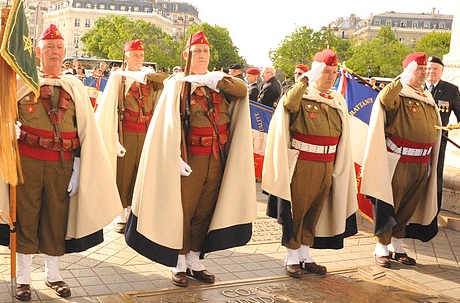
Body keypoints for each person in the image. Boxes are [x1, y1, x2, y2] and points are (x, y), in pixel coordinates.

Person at [0, 23, 121, 301]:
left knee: (55, 219)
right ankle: (24, 278)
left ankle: (53, 274)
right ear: (37, 51)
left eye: (60, 48)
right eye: (49, 47)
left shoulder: (74, 87)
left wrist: (78, 167)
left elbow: (86, 132)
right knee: (26, 218)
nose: (55, 52)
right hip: (28, 163)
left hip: (62, 164)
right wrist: (5, 130)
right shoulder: (21, 84)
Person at [124, 31, 255, 286]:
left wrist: (216, 81)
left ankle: (194, 258)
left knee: (206, 209)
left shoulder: (216, 82)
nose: (203, 56)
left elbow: (241, 90)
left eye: (206, 52)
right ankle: (179, 262)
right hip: (190, 158)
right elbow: (167, 126)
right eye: (197, 52)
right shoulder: (178, 84)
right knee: (184, 210)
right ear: (187, 55)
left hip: (216, 156)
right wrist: (174, 156)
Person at [261, 49, 357, 277]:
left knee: (315, 210)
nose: (331, 77)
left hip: (327, 162)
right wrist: (306, 79)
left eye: (334, 73)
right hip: (304, 162)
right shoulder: (301, 95)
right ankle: (291, 256)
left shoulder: (337, 100)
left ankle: (305, 254)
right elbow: (288, 106)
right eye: (325, 72)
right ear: (316, 73)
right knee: (297, 210)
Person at [361, 52, 441, 268]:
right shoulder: (398, 92)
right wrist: (401, 80)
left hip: (421, 162)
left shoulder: (427, 97)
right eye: (419, 70)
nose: (424, 74)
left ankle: (397, 243)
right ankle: (381, 246)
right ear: (407, 72)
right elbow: (386, 101)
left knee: (408, 206)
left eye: (425, 70)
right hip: (399, 160)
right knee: (388, 203)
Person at [95, 39, 169, 234]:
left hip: (145, 132)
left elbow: (166, 82)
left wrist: (151, 75)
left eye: (142, 55)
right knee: (123, 174)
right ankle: (120, 215)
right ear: (126, 56)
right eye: (135, 55)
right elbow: (108, 110)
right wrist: (113, 137)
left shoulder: (149, 77)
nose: (139, 58)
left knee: (139, 173)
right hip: (125, 132)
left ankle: (133, 212)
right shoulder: (119, 78)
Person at [424, 55, 460, 212]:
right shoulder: (415, 87)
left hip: (438, 139)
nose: (431, 72)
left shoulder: (451, 90)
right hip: (417, 139)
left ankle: (432, 213)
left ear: (442, 71)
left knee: (435, 175)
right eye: (428, 68)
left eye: (435, 69)